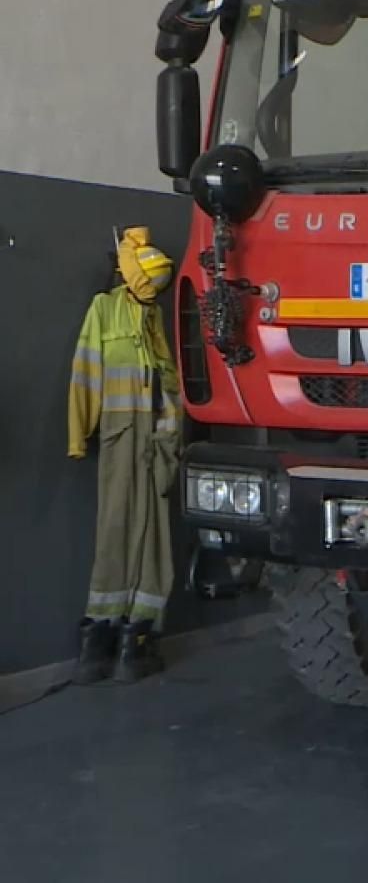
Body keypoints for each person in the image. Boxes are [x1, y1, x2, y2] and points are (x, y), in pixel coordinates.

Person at [68, 226, 184, 684]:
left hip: (155, 444)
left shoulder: (153, 320)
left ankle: (136, 637)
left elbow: (168, 385)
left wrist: (170, 438)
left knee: (154, 539)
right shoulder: (105, 309)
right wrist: (78, 436)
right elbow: (85, 373)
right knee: (115, 529)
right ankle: (99, 638)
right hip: (121, 438)